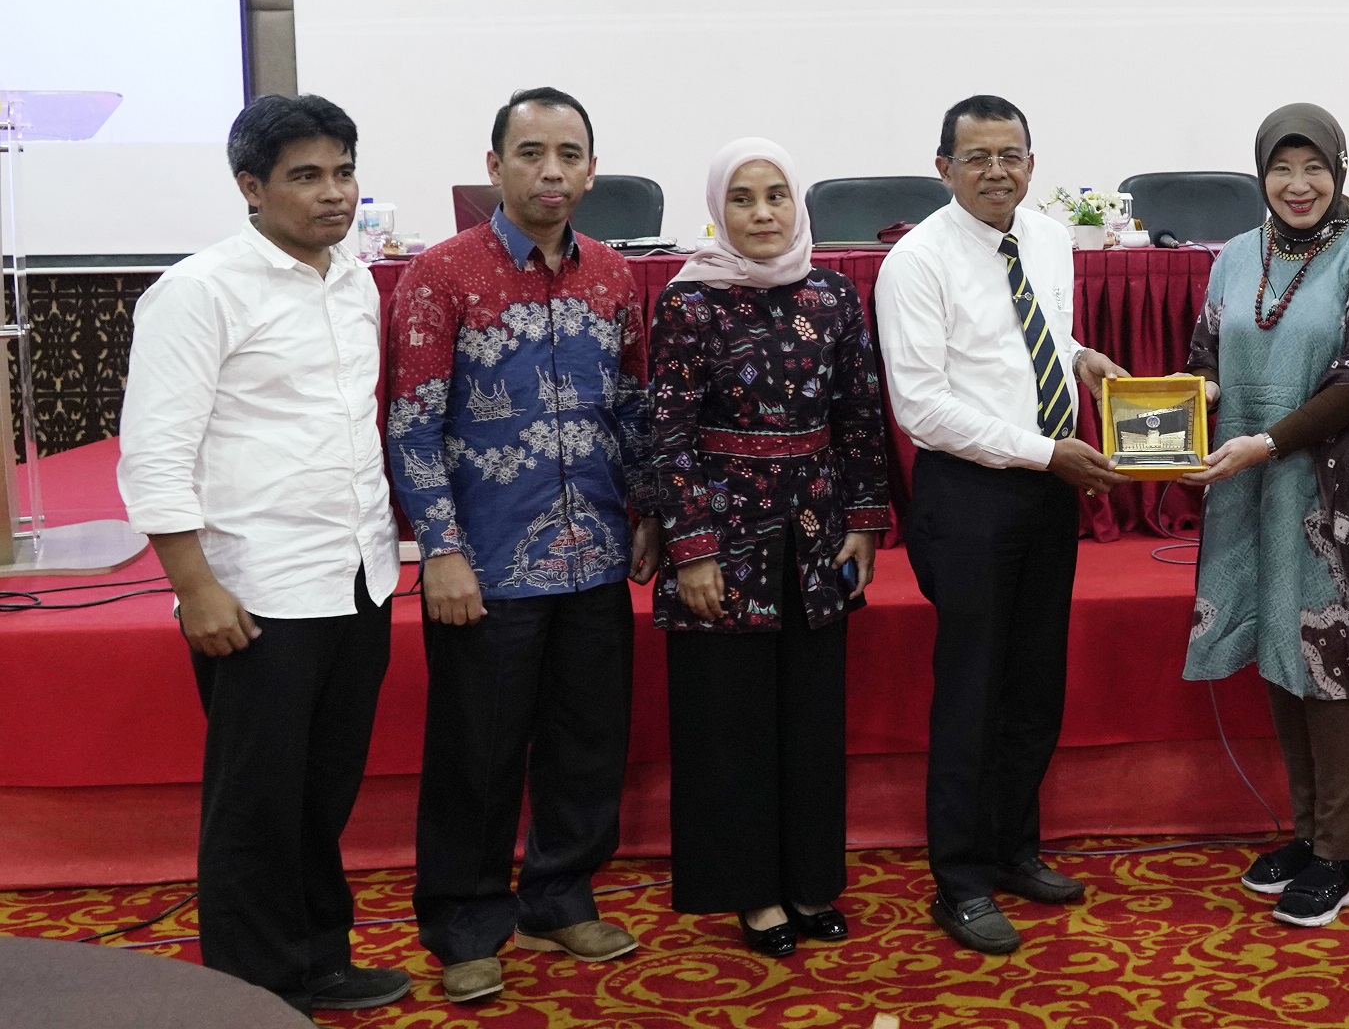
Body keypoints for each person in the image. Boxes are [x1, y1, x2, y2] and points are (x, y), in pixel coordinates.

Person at [117, 95, 411, 1017]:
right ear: (251, 187)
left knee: (321, 795)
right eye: (306, 177)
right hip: (255, 591)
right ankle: (253, 988)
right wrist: (194, 587)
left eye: (343, 173)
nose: (333, 195)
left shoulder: (355, 280)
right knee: (256, 802)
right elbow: (156, 452)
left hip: (356, 577)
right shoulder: (198, 291)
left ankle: (320, 956)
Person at [385, 87, 656, 1003]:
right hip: (486, 562)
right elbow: (411, 426)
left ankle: (559, 893)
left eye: (570, 153)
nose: (552, 170)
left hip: (595, 555)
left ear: (590, 166)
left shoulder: (616, 277)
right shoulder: (441, 275)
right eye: (531, 152)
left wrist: (648, 512)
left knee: (587, 739)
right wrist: (442, 550)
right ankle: (464, 918)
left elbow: (629, 409)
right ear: (494, 164)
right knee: (477, 749)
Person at [873, 94, 1128, 955]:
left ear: (1031, 161)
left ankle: (1016, 849)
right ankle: (960, 879)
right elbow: (922, 409)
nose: (996, 171)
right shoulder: (915, 262)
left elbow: (1036, 336)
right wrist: (1043, 451)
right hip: (970, 496)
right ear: (942, 167)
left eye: (1010, 155)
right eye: (976, 157)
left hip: (1046, 490)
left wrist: (1083, 361)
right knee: (973, 693)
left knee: (1032, 684)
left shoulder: (1049, 237)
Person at [1179, 103, 1349, 929]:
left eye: (1313, 168)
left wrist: (1265, 441)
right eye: (1281, 169)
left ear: (1339, 171)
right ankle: (1310, 831)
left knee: (1332, 662)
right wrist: (1175, 413)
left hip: (1335, 495)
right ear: (1260, 175)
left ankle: (1342, 855)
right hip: (1253, 489)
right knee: (1280, 652)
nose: (1297, 185)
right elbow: (1206, 361)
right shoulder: (1231, 258)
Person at [647, 138, 890, 957]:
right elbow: (669, 434)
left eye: (776, 196)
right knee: (731, 724)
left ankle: (807, 882)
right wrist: (693, 550)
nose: (761, 213)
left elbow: (860, 416)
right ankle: (751, 895)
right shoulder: (689, 302)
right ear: (719, 210)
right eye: (743, 199)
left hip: (816, 533)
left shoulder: (831, 295)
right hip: (724, 538)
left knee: (809, 719)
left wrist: (864, 521)